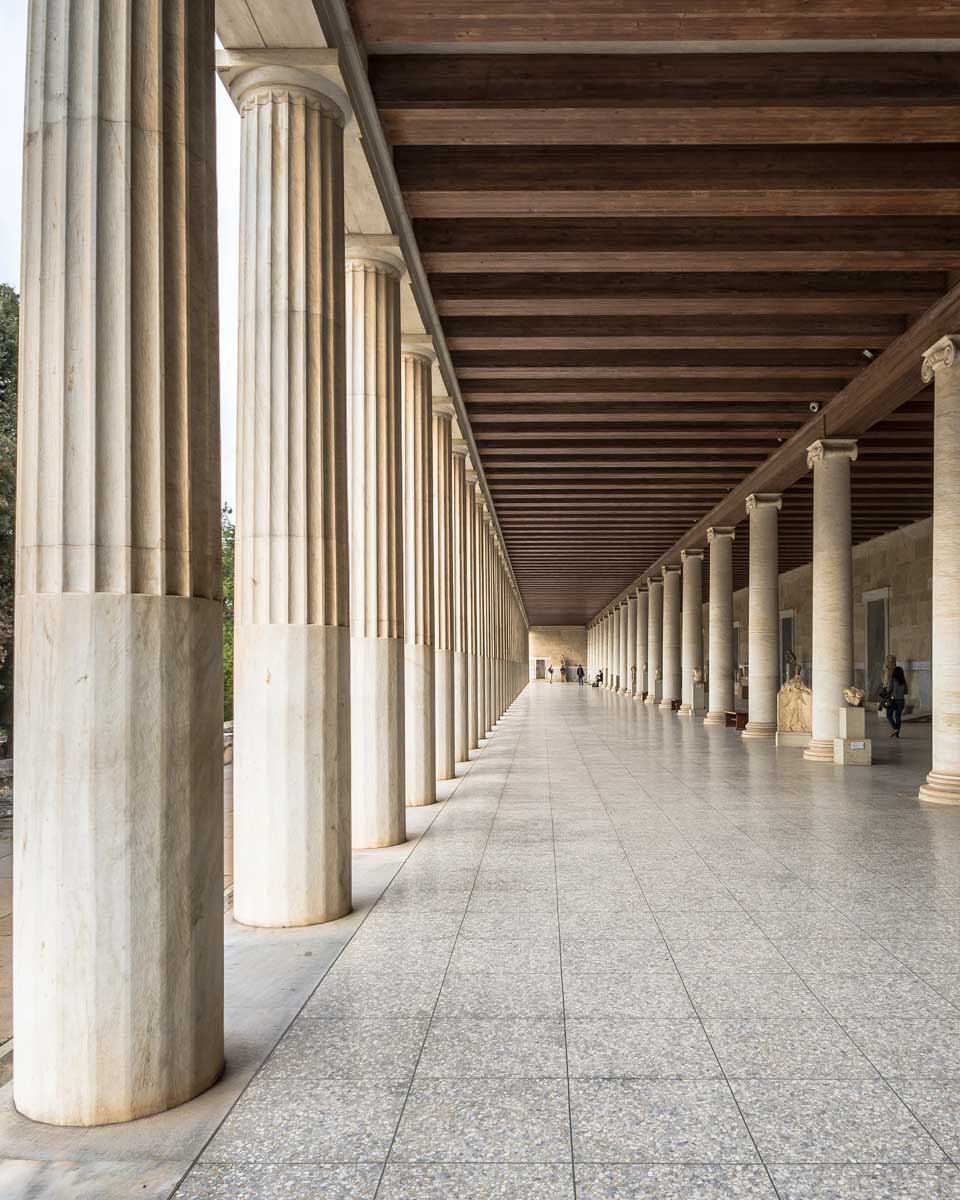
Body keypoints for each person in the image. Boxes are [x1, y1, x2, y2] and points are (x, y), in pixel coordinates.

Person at [886, 665, 908, 737]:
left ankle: (895, 728)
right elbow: (906, 691)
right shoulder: (903, 680)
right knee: (898, 717)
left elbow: (889, 689)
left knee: (889, 715)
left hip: (893, 699)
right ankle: (897, 734)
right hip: (901, 700)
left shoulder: (892, 679)